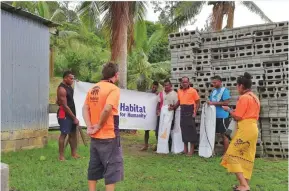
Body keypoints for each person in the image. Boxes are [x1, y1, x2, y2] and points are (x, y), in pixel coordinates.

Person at [82, 63, 123, 191]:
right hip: (109, 135)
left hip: (95, 137)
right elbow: (107, 109)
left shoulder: (93, 88)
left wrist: (89, 126)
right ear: (116, 75)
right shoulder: (113, 89)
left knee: (93, 166)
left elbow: (85, 108)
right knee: (111, 168)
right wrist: (99, 126)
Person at [222, 72, 260, 191]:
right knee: (246, 156)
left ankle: (244, 185)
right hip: (253, 128)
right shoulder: (255, 97)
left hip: (245, 129)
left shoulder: (244, 98)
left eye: (237, 86)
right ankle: (243, 184)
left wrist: (229, 110)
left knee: (231, 155)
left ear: (241, 86)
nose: (237, 88)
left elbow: (238, 116)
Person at [171, 77, 200, 156]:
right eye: (183, 82)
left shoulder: (193, 91)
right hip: (182, 111)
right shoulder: (179, 91)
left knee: (191, 131)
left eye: (186, 82)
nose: (184, 83)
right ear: (181, 83)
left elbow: (198, 102)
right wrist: (173, 107)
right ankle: (185, 149)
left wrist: (195, 112)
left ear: (188, 82)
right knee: (183, 131)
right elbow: (179, 101)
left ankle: (191, 151)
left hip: (190, 112)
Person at [56, 71, 79, 161]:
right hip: (64, 114)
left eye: (73, 78)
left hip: (72, 113)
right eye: (71, 78)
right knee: (64, 134)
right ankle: (61, 156)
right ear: (65, 78)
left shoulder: (69, 87)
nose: (72, 80)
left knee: (73, 134)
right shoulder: (62, 89)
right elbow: (65, 106)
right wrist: (74, 118)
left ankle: (74, 154)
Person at [207, 76, 231, 155]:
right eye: (212, 82)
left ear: (220, 82)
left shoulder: (225, 91)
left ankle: (226, 153)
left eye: (215, 82)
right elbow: (210, 101)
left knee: (224, 135)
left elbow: (226, 103)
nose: (213, 84)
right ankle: (211, 152)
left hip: (223, 116)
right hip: (214, 116)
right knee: (213, 134)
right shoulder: (213, 91)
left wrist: (213, 103)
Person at [156, 79, 178, 153]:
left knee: (168, 129)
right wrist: (157, 110)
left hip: (170, 114)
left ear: (171, 86)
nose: (166, 86)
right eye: (165, 85)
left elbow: (176, 105)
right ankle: (160, 146)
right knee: (159, 130)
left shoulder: (174, 94)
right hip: (161, 115)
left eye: (167, 85)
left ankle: (168, 146)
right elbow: (158, 103)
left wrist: (173, 107)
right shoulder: (161, 93)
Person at [140, 81, 159, 151]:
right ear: (152, 86)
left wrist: (157, 95)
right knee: (146, 130)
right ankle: (146, 145)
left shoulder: (159, 94)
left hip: (155, 113)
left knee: (156, 130)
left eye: (155, 87)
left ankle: (157, 145)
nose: (154, 88)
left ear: (157, 88)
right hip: (148, 113)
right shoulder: (147, 92)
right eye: (153, 87)